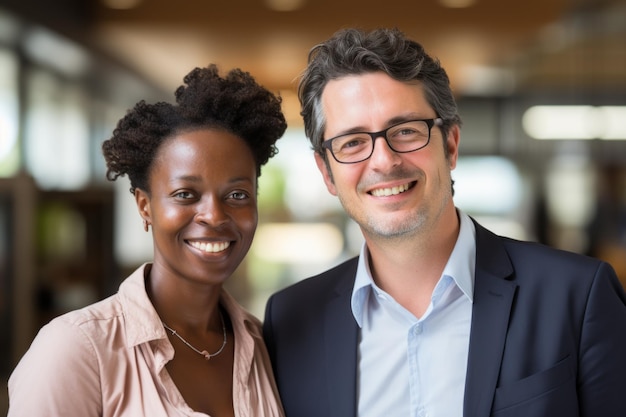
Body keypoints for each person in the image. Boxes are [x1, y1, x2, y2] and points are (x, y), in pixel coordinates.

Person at [262, 27, 626, 417]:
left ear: (450, 145)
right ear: (327, 173)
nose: (384, 161)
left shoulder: (576, 295)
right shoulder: (291, 321)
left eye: (405, 131)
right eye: (352, 142)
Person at [8, 64, 287, 416]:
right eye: (186, 194)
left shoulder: (264, 346)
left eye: (237, 195)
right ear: (145, 206)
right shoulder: (77, 349)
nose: (214, 216)